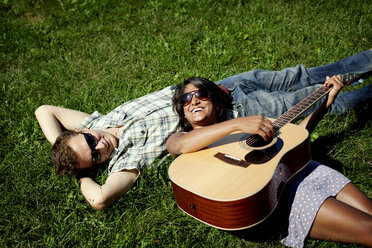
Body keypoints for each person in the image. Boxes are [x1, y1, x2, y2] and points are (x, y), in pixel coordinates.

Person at [35, 49, 372, 211]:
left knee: (307, 73)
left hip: (225, 87)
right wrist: (82, 171)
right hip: (242, 115)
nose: (100, 147)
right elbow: (99, 199)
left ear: (82, 130)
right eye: (94, 157)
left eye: (90, 141)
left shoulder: (98, 121)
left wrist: (63, 145)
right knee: (330, 99)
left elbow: (44, 110)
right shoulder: (126, 158)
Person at [166, 76, 372, 247]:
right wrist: (236, 124)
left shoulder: (244, 130)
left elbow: (294, 138)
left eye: (200, 94)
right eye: (186, 98)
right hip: (279, 197)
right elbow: (179, 146)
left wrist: (327, 101)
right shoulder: (184, 138)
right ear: (182, 111)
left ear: (216, 102)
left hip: (306, 172)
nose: (193, 101)